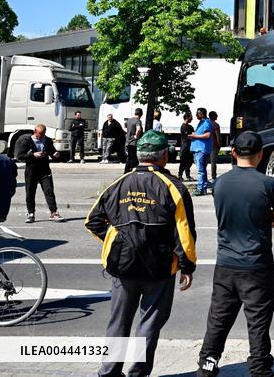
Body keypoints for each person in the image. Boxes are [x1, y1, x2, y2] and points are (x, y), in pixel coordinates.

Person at [85, 130, 197, 377]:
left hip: (123, 266)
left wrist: (116, 241)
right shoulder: (174, 187)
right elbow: (184, 232)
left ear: (138, 155)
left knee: (118, 322)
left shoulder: (118, 184)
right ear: (164, 156)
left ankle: (110, 372)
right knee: (149, 322)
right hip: (160, 266)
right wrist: (187, 267)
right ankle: (138, 373)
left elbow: (92, 221)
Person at [197, 131, 274, 377]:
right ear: (260, 155)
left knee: (218, 321)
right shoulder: (269, 184)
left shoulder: (220, 183)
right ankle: (259, 371)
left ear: (234, 153)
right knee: (258, 325)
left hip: (225, 265)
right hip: (257, 266)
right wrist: (267, 218)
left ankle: (206, 368)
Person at [14, 124, 63, 223]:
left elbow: (52, 152)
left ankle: (54, 212)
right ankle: (31, 213)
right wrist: (33, 155)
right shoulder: (27, 141)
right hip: (31, 171)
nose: (40, 136)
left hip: (45, 170)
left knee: (49, 191)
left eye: (43, 134)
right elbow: (20, 156)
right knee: (30, 193)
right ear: (34, 132)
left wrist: (55, 154)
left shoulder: (47, 140)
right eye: (39, 134)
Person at [189, 108, 214, 196]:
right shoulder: (202, 122)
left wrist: (195, 136)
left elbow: (208, 135)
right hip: (199, 149)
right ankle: (203, 187)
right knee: (202, 169)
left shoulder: (207, 123)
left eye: (197, 113)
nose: (196, 115)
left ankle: (201, 189)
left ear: (202, 114)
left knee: (200, 170)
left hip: (201, 150)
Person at [124, 108, 144, 173]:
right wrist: (136, 136)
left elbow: (125, 129)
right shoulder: (138, 121)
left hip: (128, 141)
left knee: (130, 157)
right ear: (141, 114)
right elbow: (138, 129)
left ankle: (127, 171)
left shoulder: (129, 120)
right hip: (134, 142)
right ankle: (131, 170)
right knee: (133, 158)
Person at [178, 112, 195, 182]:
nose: (192, 119)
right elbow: (189, 135)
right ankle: (180, 175)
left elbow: (193, 134)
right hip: (185, 146)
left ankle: (188, 175)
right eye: (191, 117)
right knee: (183, 161)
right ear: (187, 117)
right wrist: (193, 135)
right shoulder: (183, 126)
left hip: (191, 146)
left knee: (190, 161)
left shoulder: (191, 127)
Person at [208, 110, 222, 181]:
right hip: (214, 145)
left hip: (207, 144)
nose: (217, 116)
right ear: (213, 116)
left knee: (205, 161)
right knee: (213, 161)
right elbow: (218, 136)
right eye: (216, 115)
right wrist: (219, 145)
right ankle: (213, 176)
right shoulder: (215, 125)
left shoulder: (206, 123)